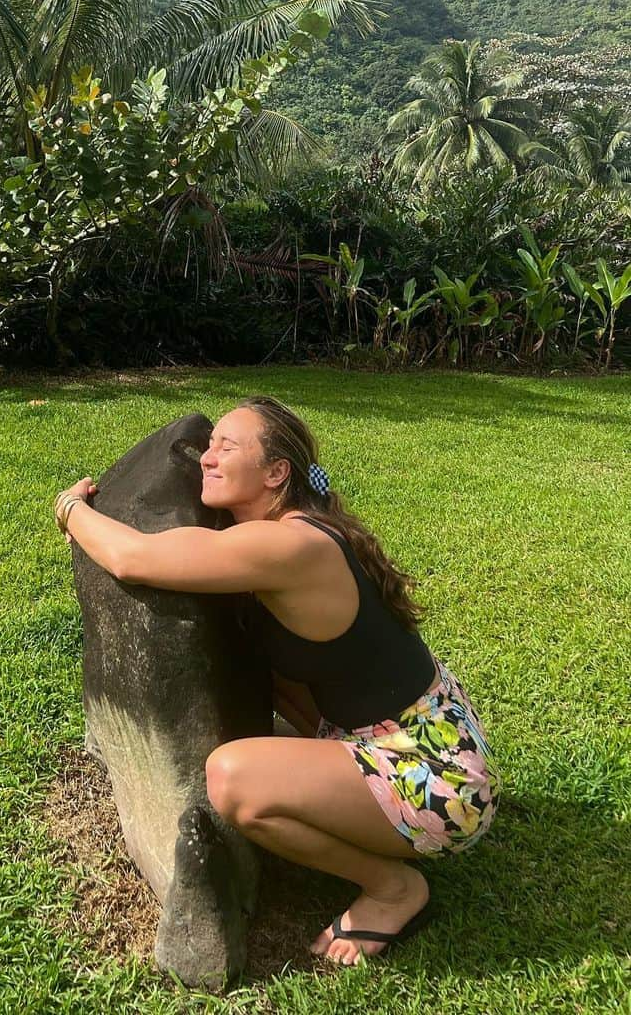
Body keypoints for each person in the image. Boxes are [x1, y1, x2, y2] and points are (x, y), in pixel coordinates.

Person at [53, 396, 499, 966]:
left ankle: (394, 889)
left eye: (226, 447)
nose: (205, 458)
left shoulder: (290, 545)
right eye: (209, 445)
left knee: (233, 782)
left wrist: (71, 508)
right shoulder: (288, 529)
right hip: (417, 732)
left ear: (276, 473)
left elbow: (133, 558)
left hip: (440, 777)